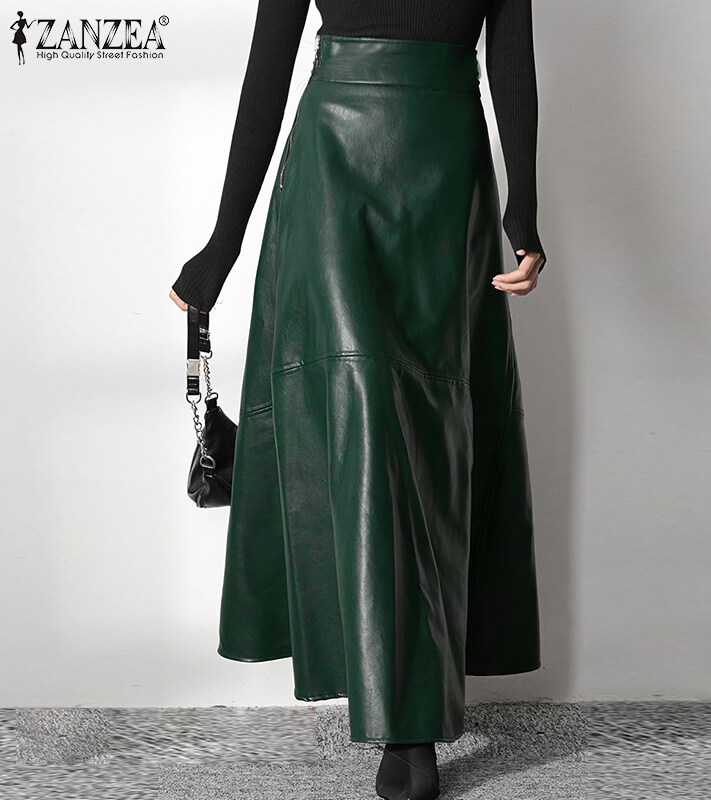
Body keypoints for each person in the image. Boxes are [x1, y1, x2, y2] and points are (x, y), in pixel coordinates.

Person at [169, 3, 546, 798]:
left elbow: (512, 61)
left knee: (428, 437)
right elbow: (267, 75)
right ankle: (405, 726)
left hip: (447, 182)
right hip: (330, 179)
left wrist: (524, 210)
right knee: (366, 420)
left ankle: (402, 700)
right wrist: (221, 245)